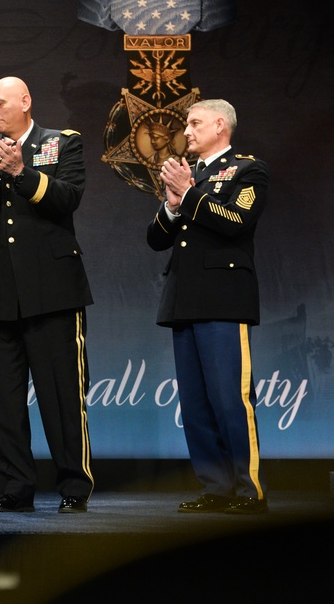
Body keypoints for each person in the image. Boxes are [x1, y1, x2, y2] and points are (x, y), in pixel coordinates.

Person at [0, 76, 94, 514]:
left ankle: (73, 486)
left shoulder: (61, 143)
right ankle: (14, 487)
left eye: (0, 103)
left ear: (26, 102)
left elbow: (68, 198)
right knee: (4, 401)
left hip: (52, 290)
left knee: (62, 395)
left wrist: (20, 172)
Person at [147, 99, 269, 514]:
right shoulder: (190, 175)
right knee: (195, 404)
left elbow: (236, 221)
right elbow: (157, 238)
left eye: (195, 122)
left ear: (221, 125)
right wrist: (171, 203)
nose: (188, 129)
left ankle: (249, 490)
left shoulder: (248, 169)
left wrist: (190, 194)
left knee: (230, 398)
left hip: (223, 298)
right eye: (187, 123)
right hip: (185, 299)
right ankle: (216, 487)